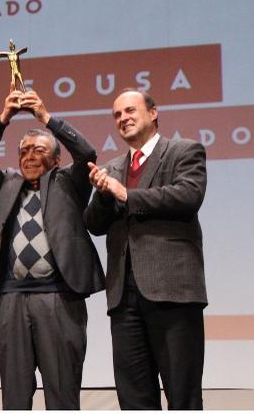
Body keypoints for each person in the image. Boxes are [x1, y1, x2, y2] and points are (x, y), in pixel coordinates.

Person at [0, 86, 105, 410]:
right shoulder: (7, 186)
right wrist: (3, 118)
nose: (30, 156)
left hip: (58, 296)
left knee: (61, 391)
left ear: (56, 159)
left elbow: (86, 154)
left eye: (39, 150)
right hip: (13, 298)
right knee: (14, 395)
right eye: (24, 150)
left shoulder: (68, 183)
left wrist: (45, 117)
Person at [84, 89, 207, 410]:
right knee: (134, 397)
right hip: (124, 298)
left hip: (173, 292)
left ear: (153, 113)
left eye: (129, 111)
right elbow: (95, 225)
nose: (123, 118)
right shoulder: (111, 167)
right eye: (117, 115)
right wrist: (102, 192)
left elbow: (188, 196)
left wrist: (125, 193)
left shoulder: (184, 151)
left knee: (183, 394)